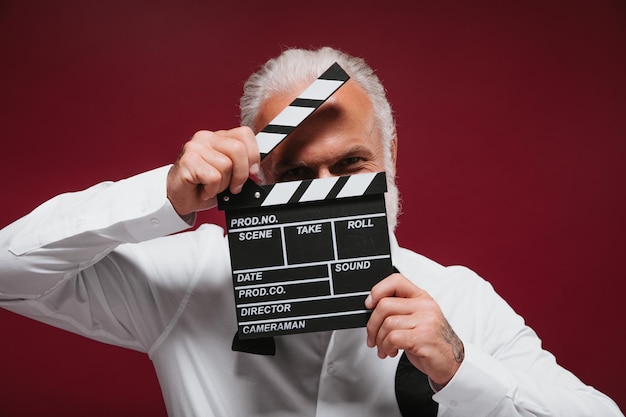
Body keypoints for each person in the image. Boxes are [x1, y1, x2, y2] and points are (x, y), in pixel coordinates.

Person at [0, 47, 622, 417]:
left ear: (391, 158)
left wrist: (461, 369)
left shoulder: (458, 303)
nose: (325, 190)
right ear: (259, 179)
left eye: (351, 164)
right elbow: (8, 271)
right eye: (297, 171)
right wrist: (163, 195)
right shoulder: (193, 281)